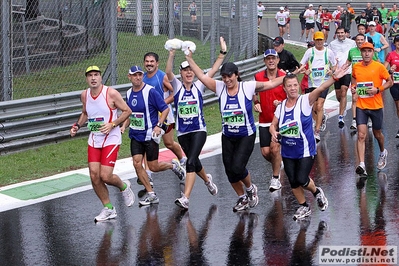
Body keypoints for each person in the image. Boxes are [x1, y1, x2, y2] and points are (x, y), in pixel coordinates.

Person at [184, 52, 298, 212]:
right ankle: (242, 197)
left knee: (237, 168)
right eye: (224, 77)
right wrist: (189, 59)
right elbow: (202, 77)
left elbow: (270, 84)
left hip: (246, 135)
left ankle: (251, 189)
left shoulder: (247, 87)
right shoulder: (220, 88)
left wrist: (290, 77)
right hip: (228, 136)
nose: (227, 80)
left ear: (236, 75)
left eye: (229, 76)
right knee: (229, 171)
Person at [269, 64, 349, 220]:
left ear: (298, 86)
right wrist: (273, 132)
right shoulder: (281, 107)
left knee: (301, 179)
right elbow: (273, 124)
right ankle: (304, 206)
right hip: (288, 150)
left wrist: (334, 78)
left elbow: (319, 89)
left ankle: (317, 192)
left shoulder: (305, 100)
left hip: (305, 149)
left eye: (295, 85)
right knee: (292, 181)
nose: (292, 88)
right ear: (284, 88)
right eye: (289, 86)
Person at [165, 37, 227, 209]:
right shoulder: (176, 86)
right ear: (181, 73)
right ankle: (207, 180)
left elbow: (214, 70)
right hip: (183, 133)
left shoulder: (199, 85)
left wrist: (222, 53)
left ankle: (185, 197)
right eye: (185, 71)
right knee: (195, 161)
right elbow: (168, 72)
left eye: (191, 70)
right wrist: (172, 54)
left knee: (190, 162)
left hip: (199, 130)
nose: (189, 73)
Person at [70, 66, 134, 222]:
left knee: (105, 176)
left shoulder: (110, 93)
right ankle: (109, 208)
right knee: (94, 176)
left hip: (111, 138)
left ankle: (124, 187)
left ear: (100, 77)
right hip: (94, 138)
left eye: (96, 75)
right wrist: (77, 126)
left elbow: (127, 111)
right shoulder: (85, 95)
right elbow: (85, 112)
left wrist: (113, 124)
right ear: (86, 78)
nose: (93, 78)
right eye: (90, 75)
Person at [122, 65, 187, 206]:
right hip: (135, 135)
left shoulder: (150, 92)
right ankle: (151, 194)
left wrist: (158, 126)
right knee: (137, 163)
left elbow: (164, 110)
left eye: (140, 74)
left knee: (153, 167)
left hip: (150, 135)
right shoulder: (128, 93)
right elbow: (129, 113)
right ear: (129, 77)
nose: (138, 77)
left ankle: (173, 166)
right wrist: (123, 125)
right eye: (134, 75)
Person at [143, 52, 186, 183]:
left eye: (152, 61)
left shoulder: (162, 76)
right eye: (147, 61)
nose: (149, 64)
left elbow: (175, 92)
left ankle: (182, 160)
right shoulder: (142, 77)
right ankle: (148, 173)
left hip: (164, 114)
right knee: (146, 143)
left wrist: (162, 104)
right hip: (150, 117)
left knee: (169, 143)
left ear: (157, 63)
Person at [351, 42, 392, 175]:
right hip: (361, 106)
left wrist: (378, 89)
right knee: (361, 135)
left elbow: (390, 81)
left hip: (376, 106)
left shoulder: (379, 67)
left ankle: (382, 152)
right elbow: (354, 79)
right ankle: (362, 164)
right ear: (361, 53)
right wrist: (353, 87)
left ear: (373, 52)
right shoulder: (356, 67)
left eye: (369, 51)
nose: (367, 53)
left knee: (377, 134)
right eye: (364, 51)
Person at [253, 49, 286, 192]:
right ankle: (280, 163)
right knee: (266, 152)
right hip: (264, 119)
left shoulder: (284, 76)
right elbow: (253, 92)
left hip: (279, 120)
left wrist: (282, 104)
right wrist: (256, 102)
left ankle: (275, 178)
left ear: (278, 60)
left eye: (273, 58)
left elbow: (294, 95)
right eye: (268, 59)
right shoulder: (258, 76)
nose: (271, 61)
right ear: (265, 61)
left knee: (274, 148)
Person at [300, 31, 337, 142]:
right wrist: (305, 71)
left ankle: (316, 131)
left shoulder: (328, 52)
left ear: (324, 40)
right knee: (313, 107)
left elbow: (334, 65)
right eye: (317, 40)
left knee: (319, 106)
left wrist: (331, 71)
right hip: (311, 84)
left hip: (324, 83)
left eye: (321, 40)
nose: (319, 42)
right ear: (314, 40)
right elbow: (301, 65)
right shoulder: (309, 52)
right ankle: (319, 120)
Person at [347, 33, 379, 131]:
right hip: (356, 78)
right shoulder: (352, 51)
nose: (360, 41)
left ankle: (368, 119)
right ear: (355, 41)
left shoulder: (369, 51)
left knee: (366, 98)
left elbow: (377, 63)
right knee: (354, 98)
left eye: (361, 39)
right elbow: (348, 63)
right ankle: (354, 119)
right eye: (358, 40)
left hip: (368, 79)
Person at [328, 26, 356, 128]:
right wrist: (332, 68)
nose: (340, 34)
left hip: (347, 71)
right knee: (339, 95)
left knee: (344, 91)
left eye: (342, 33)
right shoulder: (332, 44)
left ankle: (340, 116)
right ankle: (342, 108)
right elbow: (330, 57)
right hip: (337, 72)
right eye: (338, 33)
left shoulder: (351, 43)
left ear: (345, 33)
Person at [383, 35, 399, 138]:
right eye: (397, 41)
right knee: (398, 107)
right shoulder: (391, 55)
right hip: (395, 84)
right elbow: (383, 69)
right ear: (394, 43)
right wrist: (390, 71)